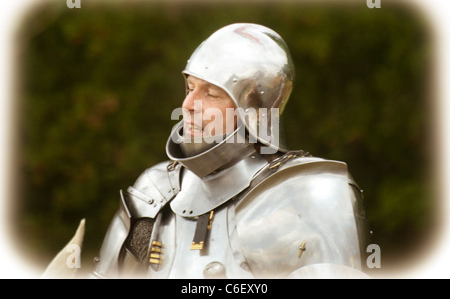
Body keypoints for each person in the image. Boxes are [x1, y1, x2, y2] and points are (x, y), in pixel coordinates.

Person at [91, 23, 369, 278]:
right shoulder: (154, 193)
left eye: (211, 94)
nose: (188, 104)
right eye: (190, 87)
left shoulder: (311, 194)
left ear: (254, 111)